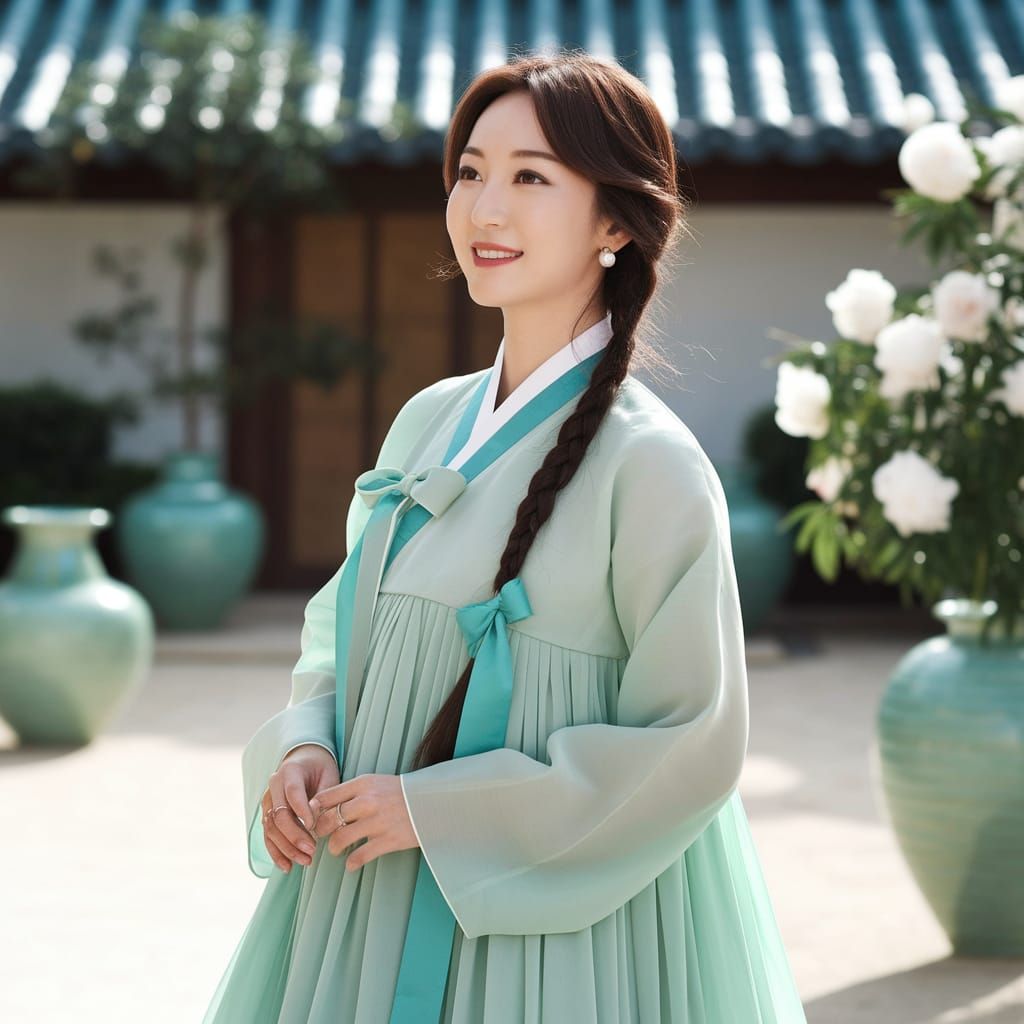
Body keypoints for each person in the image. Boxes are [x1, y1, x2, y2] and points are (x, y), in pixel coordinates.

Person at [203, 49, 807, 1023]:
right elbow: (338, 632)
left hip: (545, 936)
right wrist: (304, 745)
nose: (485, 209)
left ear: (615, 218)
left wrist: (439, 811)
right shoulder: (426, 421)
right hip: (362, 892)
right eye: (471, 171)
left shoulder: (648, 463)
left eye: (531, 176)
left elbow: (690, 740)